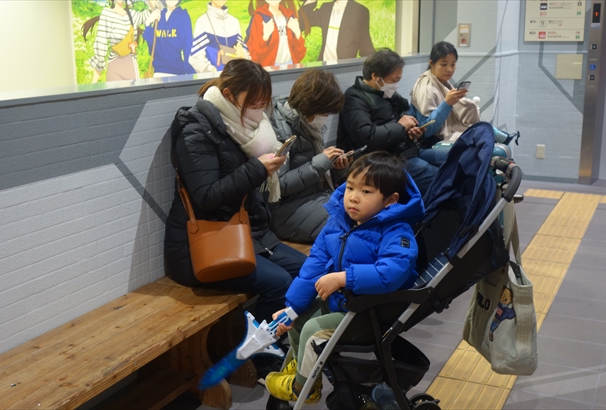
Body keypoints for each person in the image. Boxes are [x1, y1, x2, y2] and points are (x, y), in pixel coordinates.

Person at [264, 152, 425, 404]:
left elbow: (391, 272)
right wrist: (292, 308)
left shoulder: (397, 231)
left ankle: (302, 387)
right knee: (300, 318)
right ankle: (301, 370)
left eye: (366, 191)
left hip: (371, 313)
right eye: (350, 187)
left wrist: (344, 278)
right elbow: (314, 266)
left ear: (390, 200)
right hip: (344, 303)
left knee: (313, 330)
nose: (353, 197)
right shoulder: (339, 223)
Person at [163, 59, 307, 328]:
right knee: (279, 283)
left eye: (263, 103)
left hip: (249, 234)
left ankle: (288, 340)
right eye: (253, 103)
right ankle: (257, 348)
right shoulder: (196, 130)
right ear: (229, 94)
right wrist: (258, 169)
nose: (259, 110)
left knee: (307, 272)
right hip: (203, 245)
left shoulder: (246, 128)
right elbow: (206, 196)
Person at [337, 48, 438, 195]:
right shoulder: (354, 99)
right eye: (394, 80)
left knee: (449, 158)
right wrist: (400, 127)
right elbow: (367, 136)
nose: (396, 85)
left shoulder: (387, 93)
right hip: (383, 160)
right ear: (375, 76)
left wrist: (412, 131)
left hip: (405, 151)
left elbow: (404, 116)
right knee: (438, 176)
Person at [268, 68, 348, 243]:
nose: (325, 119)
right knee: (347, 226)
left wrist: (337, 169)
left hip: (316, 196)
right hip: (285, 209)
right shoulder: (279, 130)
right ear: (311, 106)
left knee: (368, 209)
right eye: (325, 114)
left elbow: (316, 175)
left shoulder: (308, 123)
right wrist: (319, 163)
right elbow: (277, 186)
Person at [409, 41, 478, 143]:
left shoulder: (443, 82)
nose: (449, 69)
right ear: (431, 64)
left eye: (453, 64)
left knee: (481, 133)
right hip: (430, 143)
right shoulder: (426, 87)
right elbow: (426, 130)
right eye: (444, 64)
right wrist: (447, 104)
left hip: (445, 137)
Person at [86, 0, 161, 82]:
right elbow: (101, 45)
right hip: (114, 65)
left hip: (131, 64)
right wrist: (94, 82)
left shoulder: (133, 14)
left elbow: (155, 9)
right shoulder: (107, 14)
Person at [188, 0, 250, 73]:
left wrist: (243, 57)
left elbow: (244, 53)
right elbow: (195, 58)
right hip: (214, 78)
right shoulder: (202, 22)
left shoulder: (234, 22)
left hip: (234, 76)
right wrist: (213, 71)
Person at [300, 0, 375, 61]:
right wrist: (310, 1)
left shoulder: (360, 11)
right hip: (323, 70)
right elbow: (300, 24)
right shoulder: (325, 8)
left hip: (344, 70)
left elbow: (366, 48)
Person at [245, 0, 307, 67]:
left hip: (290, 64)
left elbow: (300, 54)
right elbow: (253, 55)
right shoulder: (259, 18)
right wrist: (265, 37)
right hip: (269, 67)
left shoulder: (290, 16)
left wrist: (297, 33)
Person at [143, 0, 195, 77]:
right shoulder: (159, 16)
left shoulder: (183, 16)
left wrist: (189, 70)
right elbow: (152, 46)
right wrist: (148, 23)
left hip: (177, 71)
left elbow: (187, 44)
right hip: (159, 71)